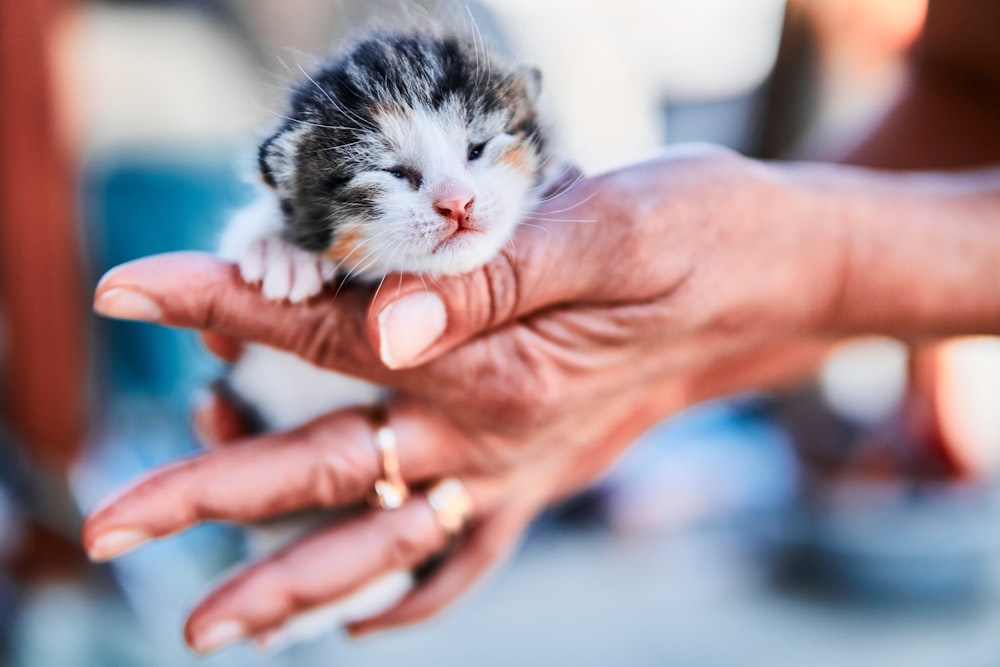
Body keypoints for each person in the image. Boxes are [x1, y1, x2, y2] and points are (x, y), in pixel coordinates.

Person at [82, 0, 1000, 654]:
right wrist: (666, 355)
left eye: (480, 154)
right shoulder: (300, 204)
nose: (451, 203)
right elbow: (966, 91)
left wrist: (804, 257)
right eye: (395, 176)